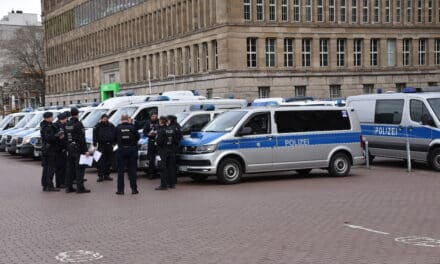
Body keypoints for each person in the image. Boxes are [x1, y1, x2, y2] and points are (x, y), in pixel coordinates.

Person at [65, 107, 91, 194]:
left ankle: (68, 187)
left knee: (70, 168)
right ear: (77, 114)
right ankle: (80, 188)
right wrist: (86, 150)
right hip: (78, 148)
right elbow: (82, 138)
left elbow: (65, 137)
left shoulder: (67, 124)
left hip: (70, 147)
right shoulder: (78, 124)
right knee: (80, 168)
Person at [115, 114, 140, 195]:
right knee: (132, 171)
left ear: (121, 119)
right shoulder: (132, 127)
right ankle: (134, 189)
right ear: (127, 119)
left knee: (120, 172)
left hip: (121, 151)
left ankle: (120, 190)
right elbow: (138, 137)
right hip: (131, 150)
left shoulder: (118, 128)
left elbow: (113, 138)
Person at [155, 116, 180, 190]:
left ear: (161, 121)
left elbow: (159, 141)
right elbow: (176, 140)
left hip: (163, 151)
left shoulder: (161, 130)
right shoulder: (172, 129)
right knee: (171, 168)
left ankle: (163, 185)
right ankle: (172, 184)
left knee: (162, 168)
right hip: (171, 150)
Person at [40, 111, 60, 192]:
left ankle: (45, 184)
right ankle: (49, 186)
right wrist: (57, 135)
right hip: (50, 149)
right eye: (51, 117)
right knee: (50, 168)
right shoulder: (47, 126)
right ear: (47, 118)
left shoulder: (44, 125)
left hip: (46, 149)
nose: (52, 118)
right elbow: (49, 138)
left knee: (46, 168)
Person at [93, 114, 115, 182]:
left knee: (109, 161)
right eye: (104, 118)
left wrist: (114, 143)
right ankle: (100, 176)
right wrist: (94, 143)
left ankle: (107, 175)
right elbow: (95, 135)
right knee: (100, 161)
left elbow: (114, 134)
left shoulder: (111, 125)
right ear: (101, 119)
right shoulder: (97, 126)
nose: (105, 119)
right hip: (101, 145)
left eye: (106, 118)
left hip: (109, 145)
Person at [53, 112, 68, 189]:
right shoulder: (57, 126)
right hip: (59, 149)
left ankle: (62, 182)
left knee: (63, 167)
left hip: (63, 148)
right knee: (60, 167)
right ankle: (60, 183)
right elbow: (58, 138)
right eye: (66, 118)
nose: (67, 120)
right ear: (62, 119)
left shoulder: (63, 125)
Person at [142, 112, 159, 179]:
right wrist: (148, 134)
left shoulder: (159, 122)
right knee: (151, 159)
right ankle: (151, 174)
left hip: (158, 142)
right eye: (153, 116)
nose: (154, 117)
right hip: (151, 142)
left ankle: (159, 172)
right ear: (150, 117)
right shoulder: (148, 123)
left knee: (159, 158)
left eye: (155, 116)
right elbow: (144, 132)